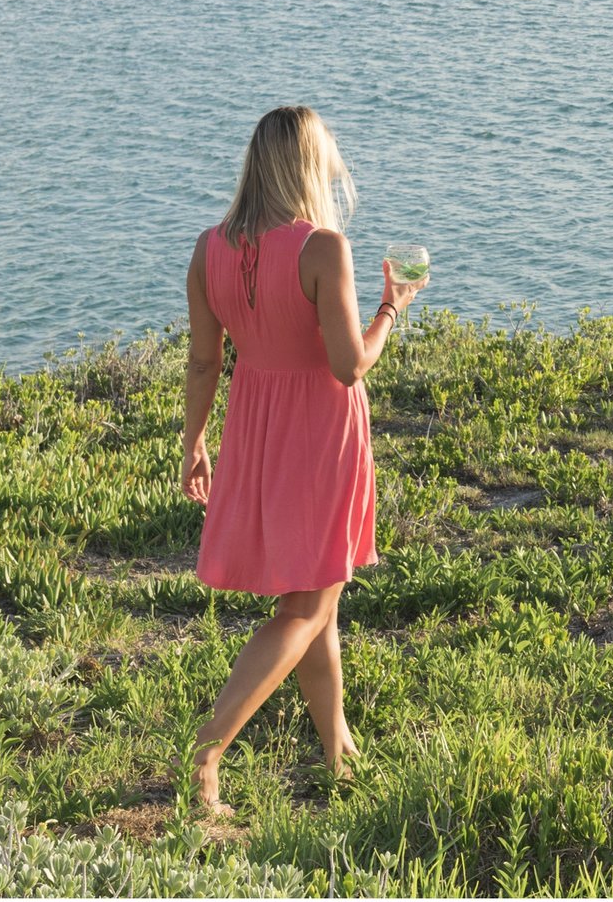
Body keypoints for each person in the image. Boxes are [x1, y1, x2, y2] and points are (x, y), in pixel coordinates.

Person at [178, 105, 426, 814]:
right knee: (307, 605)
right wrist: (390, 310)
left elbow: (203, 361)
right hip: (319, 436)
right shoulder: (323, 247)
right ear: (311, 166)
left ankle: (337, 751)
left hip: (255, 430)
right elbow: (350, 367)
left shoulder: (208, 248)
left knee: (321, 599)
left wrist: (194, 441)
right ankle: (206, 755)